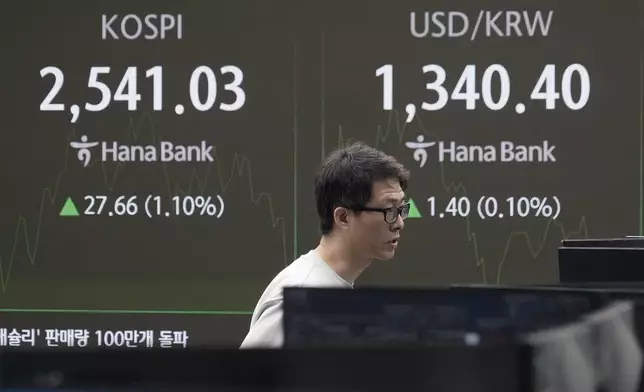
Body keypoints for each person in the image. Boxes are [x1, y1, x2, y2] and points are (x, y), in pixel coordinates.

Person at [240, 141, 411, 348]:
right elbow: (241, 378)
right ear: (343, 217)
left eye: (402, 209)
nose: (399, 223)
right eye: (389, 211)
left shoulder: (333, 287)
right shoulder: (299, 299)